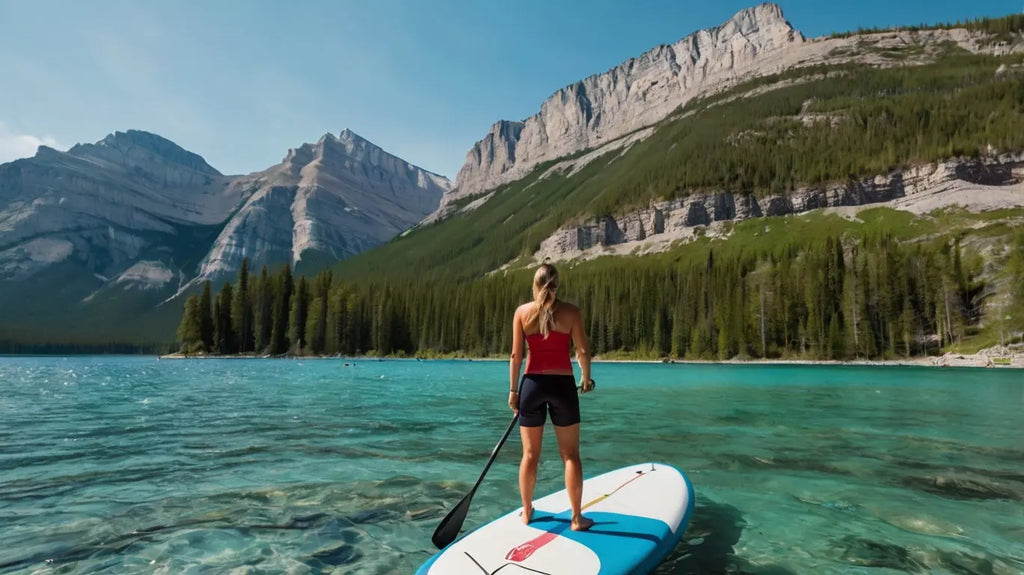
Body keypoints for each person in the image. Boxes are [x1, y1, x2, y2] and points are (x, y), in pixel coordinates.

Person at [509, 263, 595, 531]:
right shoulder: (571, 312)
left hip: (531, 386)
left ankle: (526, 512)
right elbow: (582, 350)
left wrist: (513, 391)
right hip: (562, 387)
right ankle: (577, 519)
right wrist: (585, 377)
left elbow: (516, 356)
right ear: (557, 286)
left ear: (535, 285)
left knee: (530, 455)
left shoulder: (522, 313)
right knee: (570, 455)